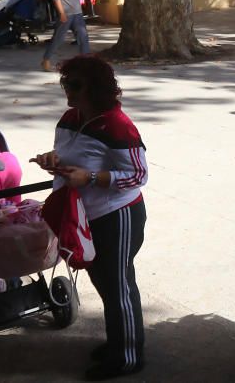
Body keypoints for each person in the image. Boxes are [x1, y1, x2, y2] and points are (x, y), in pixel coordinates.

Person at [30, 56, 148, 379]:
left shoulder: (118, 125)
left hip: (117, 215)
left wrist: (92, 179)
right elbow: (70, 160)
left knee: (118, 284)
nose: (68, 91)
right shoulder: (70, 118)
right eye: (65, 84)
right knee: (105, 282)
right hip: (88, 215)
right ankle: (120, 343)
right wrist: (52, 161)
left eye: (75, 85)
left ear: (96, 88)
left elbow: (138, 174)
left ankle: (127, 356)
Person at [41, 0, 90, 72]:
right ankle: (46, 59)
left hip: (77, 13)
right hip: (66, 14)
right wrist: (61, 13)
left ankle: (87, 63)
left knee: (83, 38)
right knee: (59, 38)